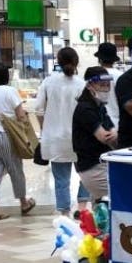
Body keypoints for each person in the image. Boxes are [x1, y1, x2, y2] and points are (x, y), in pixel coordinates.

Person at [35, 47, 90, 216]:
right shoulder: (82, 85)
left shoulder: (48, 82)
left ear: (58, 62)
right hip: (79, 139)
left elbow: (38, 109)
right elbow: (88, 112)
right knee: (86, 174)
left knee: (61, 179)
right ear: (76, 62)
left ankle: (64, 214)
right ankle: (82, 208)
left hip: (54, 139)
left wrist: (45, 128)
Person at [0, 62, 36, 221]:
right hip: (5, 134)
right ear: (5, 76)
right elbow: (21, 115)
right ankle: (24, 203)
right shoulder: (10, 91)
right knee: (15, 168)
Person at [73, 66, 117, 201]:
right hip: (92, 166)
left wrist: (115, 134)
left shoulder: (100, 107)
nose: (105, 89)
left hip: (101, 163)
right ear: (89, 85)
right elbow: (105, 137)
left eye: (107, 85)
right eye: (101, 85)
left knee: (100, 205)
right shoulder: (85, 109)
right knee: (117, 196)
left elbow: (112, 130)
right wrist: (115, 134)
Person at [94, 42, 124, 127]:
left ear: (99, 59)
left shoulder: (93, 76)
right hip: (117, 121)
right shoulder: (122, 76)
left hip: (97, 123)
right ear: (114, 60)